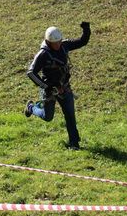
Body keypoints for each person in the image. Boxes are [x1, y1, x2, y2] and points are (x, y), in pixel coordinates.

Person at [24, 22, 91, 150]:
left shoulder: (64, 46)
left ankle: (74, 144)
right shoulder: (42, 55)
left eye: (59, 41)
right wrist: (46, 87)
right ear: (48, 42)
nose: (58, 44)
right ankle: (31, 108)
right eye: (55, 43)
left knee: (70, 116)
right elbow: (31, 72)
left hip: (64, 88)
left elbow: (82, 42)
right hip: (50, 91)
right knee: (48, 117)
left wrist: (86, 30)